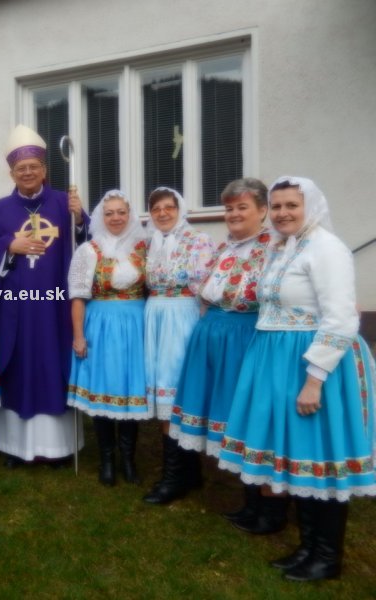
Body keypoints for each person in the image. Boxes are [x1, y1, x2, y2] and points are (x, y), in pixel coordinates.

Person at [218, 176, 376, 582]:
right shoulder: (284, 246)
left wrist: (315, 378)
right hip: (280, 358)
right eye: (277, 206)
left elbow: (341, 319)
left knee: (321, 454)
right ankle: (307, 546)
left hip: (316, 363)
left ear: (311, 206)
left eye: (292, 205)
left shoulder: (327, 248)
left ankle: (327, 556)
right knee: (300, 451)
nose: (283, 213)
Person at [167, 178, 281, 529]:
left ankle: (270, 509)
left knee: (249, 418)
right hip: (213, 335)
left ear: (263, 211)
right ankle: (250, 501)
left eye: (242, 207)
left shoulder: (275, 248)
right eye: (229, 208)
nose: (233, 214)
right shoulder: (224, 248)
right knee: (228, 416)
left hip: (245, 338)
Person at [0, 124, 88, 467]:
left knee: (53, 364)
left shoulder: (64, 202)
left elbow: (87, 246)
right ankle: (15, 447)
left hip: (55, 305)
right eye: (20, 168)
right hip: (15, 308)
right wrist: (10, 244)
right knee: (18, 366)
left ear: (44, 170)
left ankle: (58, 448)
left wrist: (79, 219)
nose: (27, 173)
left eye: (33, 167)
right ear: (11, 173)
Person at [67, 190, 149, 485]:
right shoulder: (89, 250)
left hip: (136, 325)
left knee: (130, 387)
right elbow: (78, 297)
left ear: (130, 214)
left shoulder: (144, 247)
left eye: (121, 212)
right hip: (101, 325)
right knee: (104, 386)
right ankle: (107, 459)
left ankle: (128, 458)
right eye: (109, 213)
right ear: (101, 217)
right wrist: (79, 336)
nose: (116, 218)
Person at [142, 187, 214, 504]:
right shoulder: (150, 243)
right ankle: (188, 471)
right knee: (163, 389)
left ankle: (175, 476)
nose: (162, 213)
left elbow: (206, 286)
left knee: (175, 391)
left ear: (179, 209)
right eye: (156, 208)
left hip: (182, 316)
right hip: (156, 316)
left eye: (168, 207)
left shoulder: (198, 240)